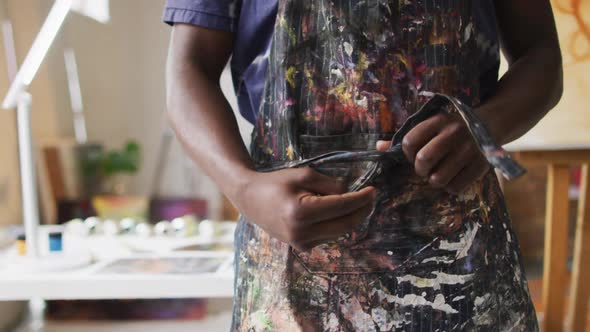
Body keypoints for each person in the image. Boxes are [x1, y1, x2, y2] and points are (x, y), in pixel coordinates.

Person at [163, 0, 562, 331]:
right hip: (289, 263)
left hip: (464, 259)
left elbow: (541, 55)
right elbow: (189, 67)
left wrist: (486, 127)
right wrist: (243, 187)